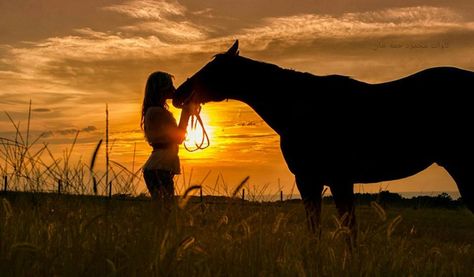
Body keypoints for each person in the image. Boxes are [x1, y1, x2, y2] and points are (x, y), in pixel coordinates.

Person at [141, 71, 196, 202]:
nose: (173, 89)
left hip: (159, 165)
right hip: (160, 166)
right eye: (169, 86)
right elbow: (178, 138)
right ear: (161, 89)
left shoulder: (154, 111)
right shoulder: (157, 112)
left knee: (164, 208)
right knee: (166, 209)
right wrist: (186, 112)